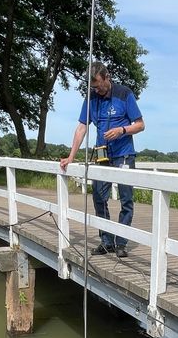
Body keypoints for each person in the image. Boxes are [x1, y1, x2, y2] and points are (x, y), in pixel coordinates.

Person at [60, 62, 145, 258]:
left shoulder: (124, 94)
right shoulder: (91, 98)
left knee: (126, 199)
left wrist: (121, 130)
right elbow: (82, 127)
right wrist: (71, 157)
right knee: (98, 196)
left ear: (107, 77)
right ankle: (106, 241)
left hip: (124, 154)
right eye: (93, 87)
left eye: (98, 84)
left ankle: (121, 242)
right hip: (102, 154)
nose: (96, 89)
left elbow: (140, 125)